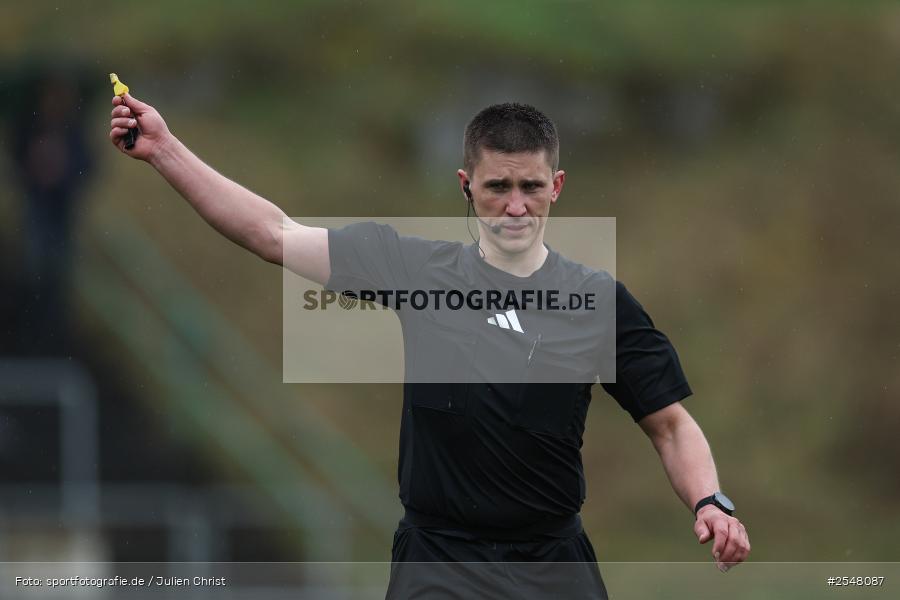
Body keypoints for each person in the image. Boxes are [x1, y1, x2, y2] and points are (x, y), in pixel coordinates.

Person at [109, 95, 750, 598]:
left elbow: (669, 425)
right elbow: (274, 234)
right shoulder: (414, 269)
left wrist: (709, 499)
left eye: (531, 187)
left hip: (551, 560)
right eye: (498, 187)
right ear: (466, 185)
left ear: (557, 187)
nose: (516, 207)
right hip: (437, 561)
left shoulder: (599, 302)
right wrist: (165, 149)